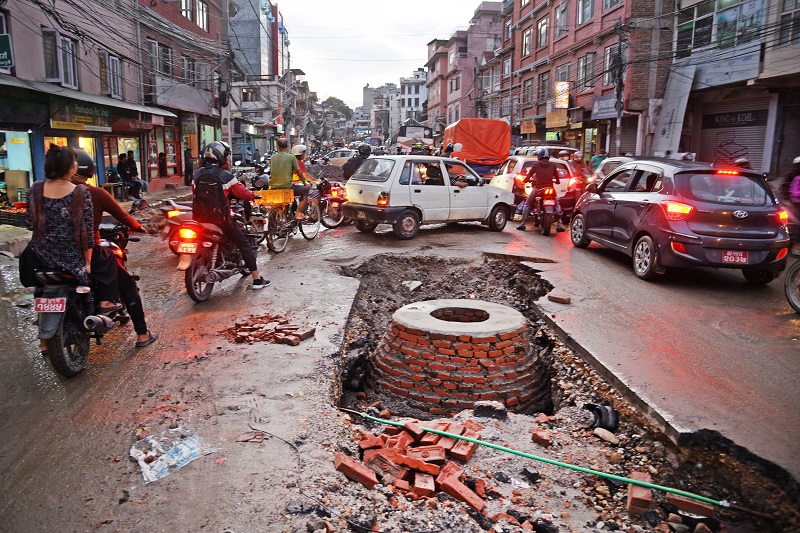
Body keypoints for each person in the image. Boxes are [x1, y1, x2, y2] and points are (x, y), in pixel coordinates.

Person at [20, 145, 121, 320]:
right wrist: (87, 262)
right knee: (108, 258)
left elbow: (30, 223)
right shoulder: (81, 191)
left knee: (36, 281)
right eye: (74, 161)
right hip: (72, 257)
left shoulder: (35, 188)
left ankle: (43, 332)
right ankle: (106, 302)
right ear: (70, 167)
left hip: (38, 257)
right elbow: (87, 232)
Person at [72, 149, 158, 348]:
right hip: (87, 251)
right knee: (127, 284)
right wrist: (141, 228)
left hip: (52, 255)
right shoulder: (91, 193)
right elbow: (124, 217)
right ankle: (142, 333)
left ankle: (44, 342)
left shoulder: (46, 190)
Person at [193, 140, 269, 289]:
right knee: (243, 243)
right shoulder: (225, 176)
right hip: (220, 220)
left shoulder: (197, 174)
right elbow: (243, 193)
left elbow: (194, 192)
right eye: (226, 156)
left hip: (199, 219)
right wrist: (253, 196)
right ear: (221, 157)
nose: (227, 159)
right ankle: (257, 279)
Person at [517, 148, 565, 232]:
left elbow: (528, 176)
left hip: (538, 188)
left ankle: (523, 223)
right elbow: (557, 179)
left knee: (528, 204)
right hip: (550, 189)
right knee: (557, 204)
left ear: (539, 156)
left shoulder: (536, 165)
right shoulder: (553, 165)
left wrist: (525, 180)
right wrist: (556, 181)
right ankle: (559, 224)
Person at [269, 139, 311, 221]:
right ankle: (299, 214)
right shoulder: (291, 157)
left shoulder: (272, 158)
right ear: (288, 146)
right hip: (287, 187)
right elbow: (299, 173)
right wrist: (305, 183)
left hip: (272, 187)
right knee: (305, 190)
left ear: (277, 147)